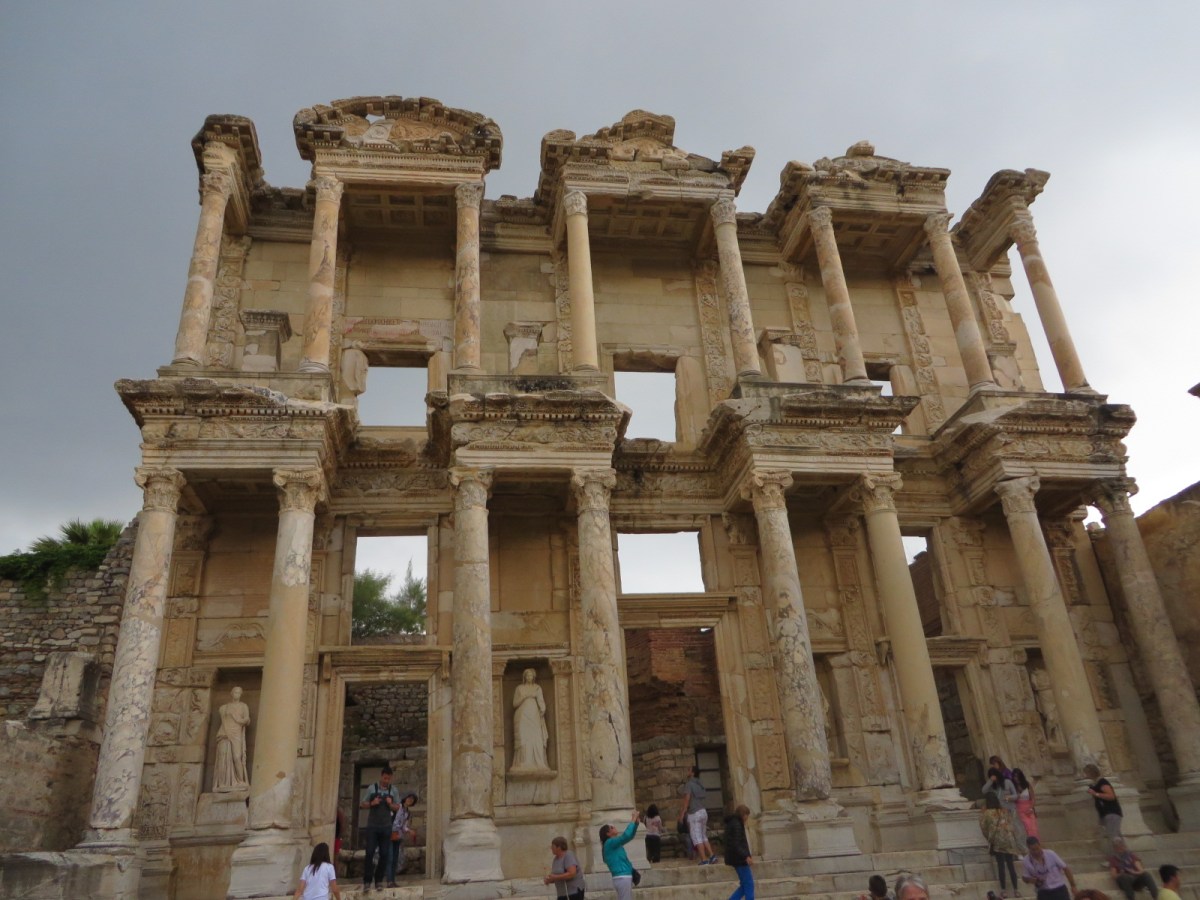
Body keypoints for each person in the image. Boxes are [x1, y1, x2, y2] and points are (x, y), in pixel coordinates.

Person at [981, 767, 1023, 897]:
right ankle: (1016, 890)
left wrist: (990, 838)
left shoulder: (988, 814)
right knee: (1010, 866)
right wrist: (990, 781)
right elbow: (983, 790)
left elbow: (984, 827)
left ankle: (1004, 890)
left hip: (998, 842)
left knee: (1002, 866)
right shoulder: (1003, 813)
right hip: (1008, 841)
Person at [358, 766, 399, 893]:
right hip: (373, 826)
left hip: (386, 826)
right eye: (385, 778)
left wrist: (390, 804)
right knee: (370, 853)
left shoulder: (393, 790)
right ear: (381, 776)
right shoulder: (372, 788)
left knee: (384, 854)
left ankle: (379, 881)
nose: (386, 781)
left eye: (388, 779)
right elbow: (362, 803)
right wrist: (372, 803)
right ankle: (367, 881)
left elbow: (397, 807)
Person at [213, 686, 251, 792]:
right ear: (231, 693)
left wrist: (239, 720)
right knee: (223, 757)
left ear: (241, 694)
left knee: (237, 757)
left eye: (238, 693)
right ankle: (223, 782)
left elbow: (247, 719)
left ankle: (240, 781)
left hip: (236, 733)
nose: (236, 694)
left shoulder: (243, 706)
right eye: (235, 692)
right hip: (224, 732)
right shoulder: (224, 707)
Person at [511, 668, 550, 771]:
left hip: (534, 715)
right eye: (527, 675)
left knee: (536, 736)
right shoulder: (519, 688)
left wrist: (543, 709)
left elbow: (541, 701)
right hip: (522, 716)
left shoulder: (537, 688)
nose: (529, 677)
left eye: (531, 675)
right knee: (524, 737)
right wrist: (524, 697)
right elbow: (514, 704)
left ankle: (538, 762)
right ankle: (524, 762)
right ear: (524, 677)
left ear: (533, 677)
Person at [679, 765, 717, 865]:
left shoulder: (689, 784)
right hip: (703, 811)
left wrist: (682, 814)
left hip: (694, 813)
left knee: (696, 837)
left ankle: (704, 859)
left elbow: (687, 799)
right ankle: (712, 856)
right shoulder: (700, 784)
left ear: (692, 773)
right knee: (703, 836)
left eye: (689, 770)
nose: (687, 771)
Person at [600, 810, 640, 900]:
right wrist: (633, 819)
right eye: (611, 827)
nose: (614, 827)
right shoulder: (610, 842)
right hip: (622, 877)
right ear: (608, 833)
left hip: (622, 877)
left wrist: (636, 824)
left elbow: (629, 836)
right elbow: (626, 836)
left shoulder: (612, 843)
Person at [387, 791, 418, 886]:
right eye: (409, 798)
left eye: (412, 800)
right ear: (405, 798)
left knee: (395, 859)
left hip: (398, 836)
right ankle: (389, 881)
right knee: (390, 858)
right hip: (390, 834)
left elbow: (403, 826)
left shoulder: (407, 813)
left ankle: (392, 880)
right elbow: (392, 820)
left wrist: (409, 831)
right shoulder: (398, 807)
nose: (410, 800)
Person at [1084, 764, 1123, 840]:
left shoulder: (1102, 782)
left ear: (1091, 773)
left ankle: (1121, 848)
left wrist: (1095, 793)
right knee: (1114, 837)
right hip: (1105, 814)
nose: (1085, 775)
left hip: (1111, 812)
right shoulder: (1095, 783)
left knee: (1115, 838)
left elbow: (1111, 796)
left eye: (1086, 773)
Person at [723, 803, 754, 900]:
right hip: (739, 860)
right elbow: (736, 844)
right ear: (743, 815)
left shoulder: (733, 823)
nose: (747, 818)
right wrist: (746, 856)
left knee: (744, 886)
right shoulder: (737, 825)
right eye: (747, 815)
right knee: (749, 884)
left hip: (736, 858)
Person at [544, 835, 585, 900]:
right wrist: (549, 880)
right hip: (562, 893)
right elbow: (557, 876)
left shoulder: (568, 855)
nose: (551, 848)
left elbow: (572, 873)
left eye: (553, 846)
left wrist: (555, 877)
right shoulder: (555, 859)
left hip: (573, 892)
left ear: (559, 847)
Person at [1012, 768, 1039, 840]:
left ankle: (1035, 843)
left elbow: (1033, 798)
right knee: (1025, 826)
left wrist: (1031, 808)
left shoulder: (1027, 784)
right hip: (1019, 809)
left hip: (1029, 808)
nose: (1016, 778)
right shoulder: (1013, 786)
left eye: (1017, 776)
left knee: (1033, 827)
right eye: (1014, 776)